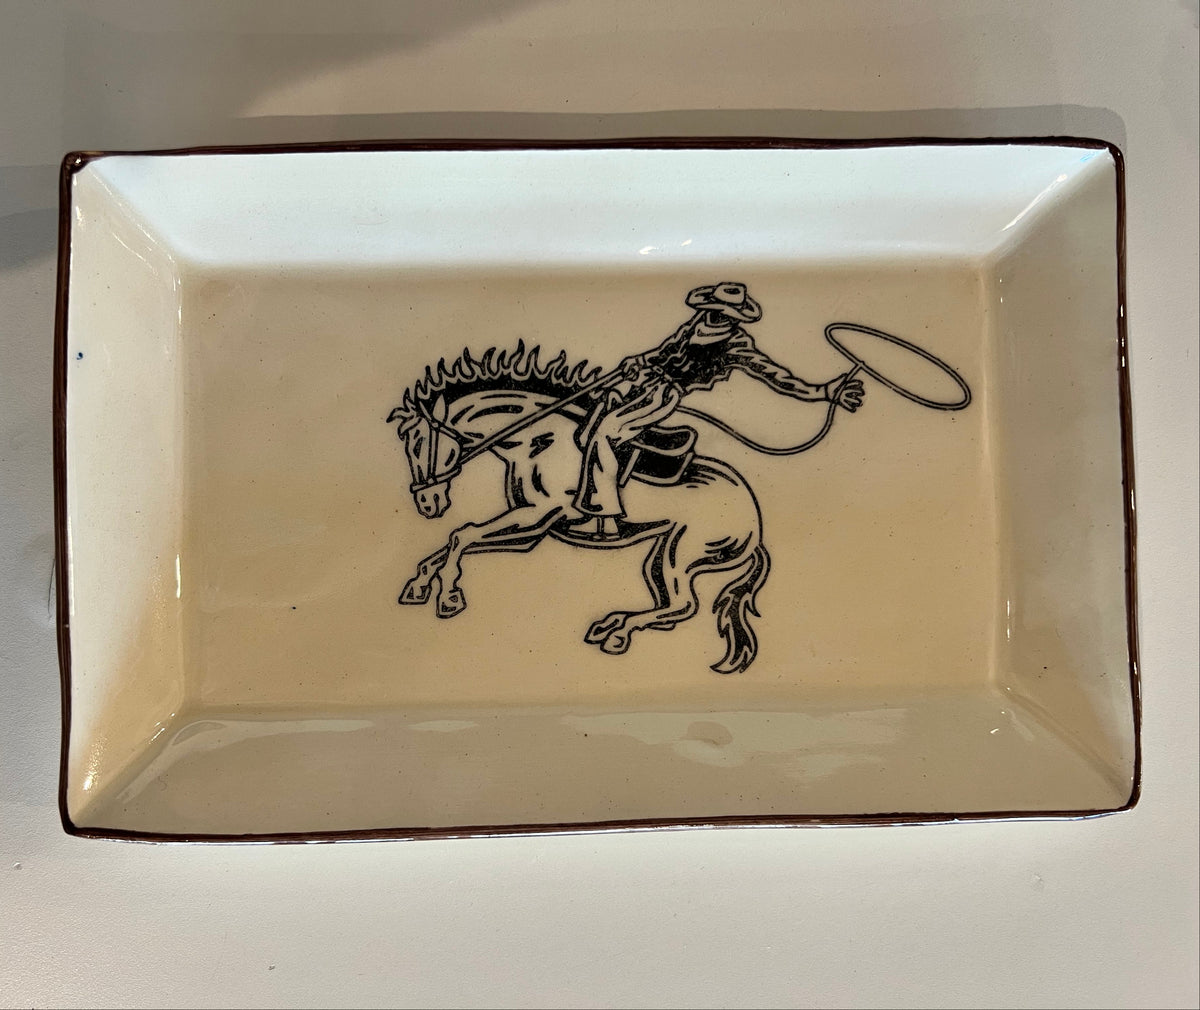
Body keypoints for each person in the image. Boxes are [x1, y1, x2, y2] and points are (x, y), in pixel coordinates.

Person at [572, 281, 865, 539]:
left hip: (661, 396)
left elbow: (776, 376)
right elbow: (664, 351)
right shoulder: (696, 323)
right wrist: (639, 360)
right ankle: (596, 505)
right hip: (642, 383)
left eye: (721, 311)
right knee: (591, 428)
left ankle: (606, 520)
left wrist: (824, 392)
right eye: (713, 308)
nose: (714, 314)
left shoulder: (736, 345)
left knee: (607, 434)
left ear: (732, 315)